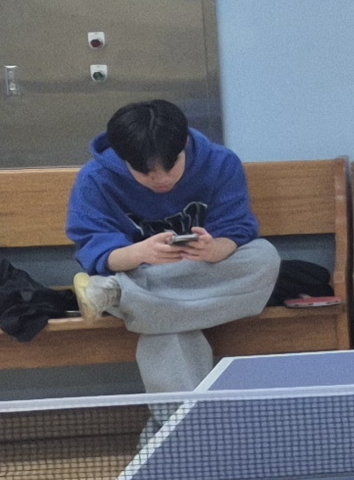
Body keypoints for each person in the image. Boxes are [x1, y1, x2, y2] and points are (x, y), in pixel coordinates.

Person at [65, 99, 281, 394]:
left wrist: (216, 249)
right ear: (123, 158)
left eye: (171, 166)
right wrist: (140, 253)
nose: (161, 179)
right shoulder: (95, 179)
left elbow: (237, 229)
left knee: (264, 256)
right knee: (169, 329)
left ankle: (117, 293)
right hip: (147, 273)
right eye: (145, 172)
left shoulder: (221, 163)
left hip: (181, 282)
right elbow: (95, 251)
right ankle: (185, 424)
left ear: (185, 145)